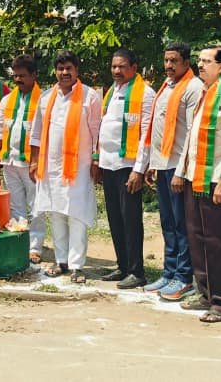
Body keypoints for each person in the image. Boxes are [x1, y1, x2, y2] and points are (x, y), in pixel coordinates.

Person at [174, 44, 221, 322]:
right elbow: (193, 136)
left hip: (216, 178)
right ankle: (205, 292)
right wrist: (181, 171)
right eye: (200, 60)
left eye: (207, 61)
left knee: (217, 242)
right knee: (197, 238)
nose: (201, 65)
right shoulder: (205, 92)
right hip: (194, 176)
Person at [134, 42, 204, 301]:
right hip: (162, 164)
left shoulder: (193, 87)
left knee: (181, 224)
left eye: (174, 61)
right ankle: (169, 271)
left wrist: (181, 171)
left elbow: (192, 133)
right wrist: (152, 163)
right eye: (166, 60)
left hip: (178, 167)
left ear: (186, 62)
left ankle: (184, 277)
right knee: (168, 223)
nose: (168, 65)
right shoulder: (166, 85)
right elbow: (157, 127)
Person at [31, 51, 102, 283]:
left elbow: (97, 132)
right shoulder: (46, 98)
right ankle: (61, 261)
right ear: (55, 71)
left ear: (76, 70)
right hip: (51, 167)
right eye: (60, 69)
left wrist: (96, 160)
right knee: (56, 213)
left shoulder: (90, 97)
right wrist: (34, 161)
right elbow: (36, 133)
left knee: (76, 215)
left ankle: (77, 266)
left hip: (80, 167)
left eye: (69, 68)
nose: (65, 73)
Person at [97, 48, 154, 289]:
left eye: (122, 66)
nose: (117, 71)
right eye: (114, 66)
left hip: (128, 166)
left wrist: (138, 170)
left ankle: (136, 270)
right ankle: (122, 265)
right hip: (108, 164)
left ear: (134, 67)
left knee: (130, 219)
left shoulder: (145, 94)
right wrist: (98, 161)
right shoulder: (112, 91)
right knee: (115, 218)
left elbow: (146, 135)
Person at [0, 54, 45, 262]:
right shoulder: (7, 100)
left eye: (22, 76)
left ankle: (35, 247)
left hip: (32, 163)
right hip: (9, 159)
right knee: (15, 205)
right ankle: (18, 243)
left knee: (36, 206)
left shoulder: (43, 100)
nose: (18, 80)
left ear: (33, 75)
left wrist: (37, 160)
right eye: (15, 76)